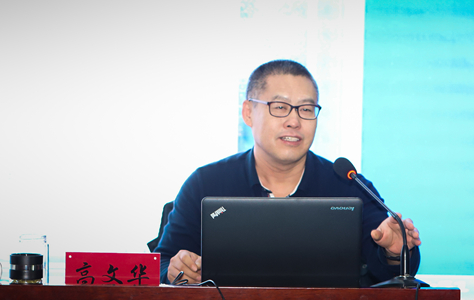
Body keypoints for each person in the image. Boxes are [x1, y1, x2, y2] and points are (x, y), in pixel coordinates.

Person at [154, 60, 421, 286]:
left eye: (306, 109)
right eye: (280, 107)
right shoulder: (206, 183)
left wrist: (395, 252)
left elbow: (390, 274)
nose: (294, 121)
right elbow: (162, 262)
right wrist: (177, 269)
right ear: (248, 113)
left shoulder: (349, 185)